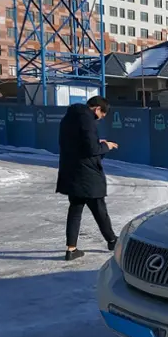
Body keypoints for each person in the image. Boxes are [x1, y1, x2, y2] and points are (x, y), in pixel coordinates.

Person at [55, 96, 119, 261]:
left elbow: (79, 143)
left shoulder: (68, 118)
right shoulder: (87, 120)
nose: (100, 119)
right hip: (88, 175)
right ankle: (112, 241)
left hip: (71, 172)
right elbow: (91, 149)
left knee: (75, 211)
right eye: (101, 115)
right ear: (97, 109)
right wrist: (106, 146)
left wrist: (97, 142)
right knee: (100, 210)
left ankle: (71, 248)